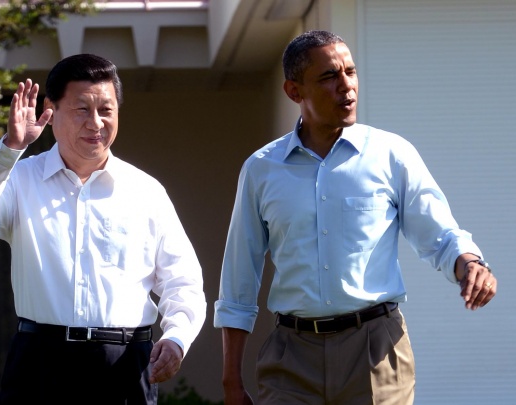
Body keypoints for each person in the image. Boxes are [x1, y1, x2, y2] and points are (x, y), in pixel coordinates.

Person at [213, 30, 498, 405]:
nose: (346, 86)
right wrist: (231, 379)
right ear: (294, 91)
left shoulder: (391, 154)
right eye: (329, 76)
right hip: (290, 357)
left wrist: (470, 263)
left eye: (350, 71)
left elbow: (440, 235)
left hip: (377, 351)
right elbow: (239, 279)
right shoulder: (261, 170)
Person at [0, 53, 206, 404]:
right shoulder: (19, 178)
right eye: (82, 109)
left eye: (106, 110)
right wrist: (11, 148)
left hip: (124, 363)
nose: (96, 123)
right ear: (50, 111)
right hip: (40, 362)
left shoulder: (146, 191)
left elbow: (183, 281)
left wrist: (177, 338)